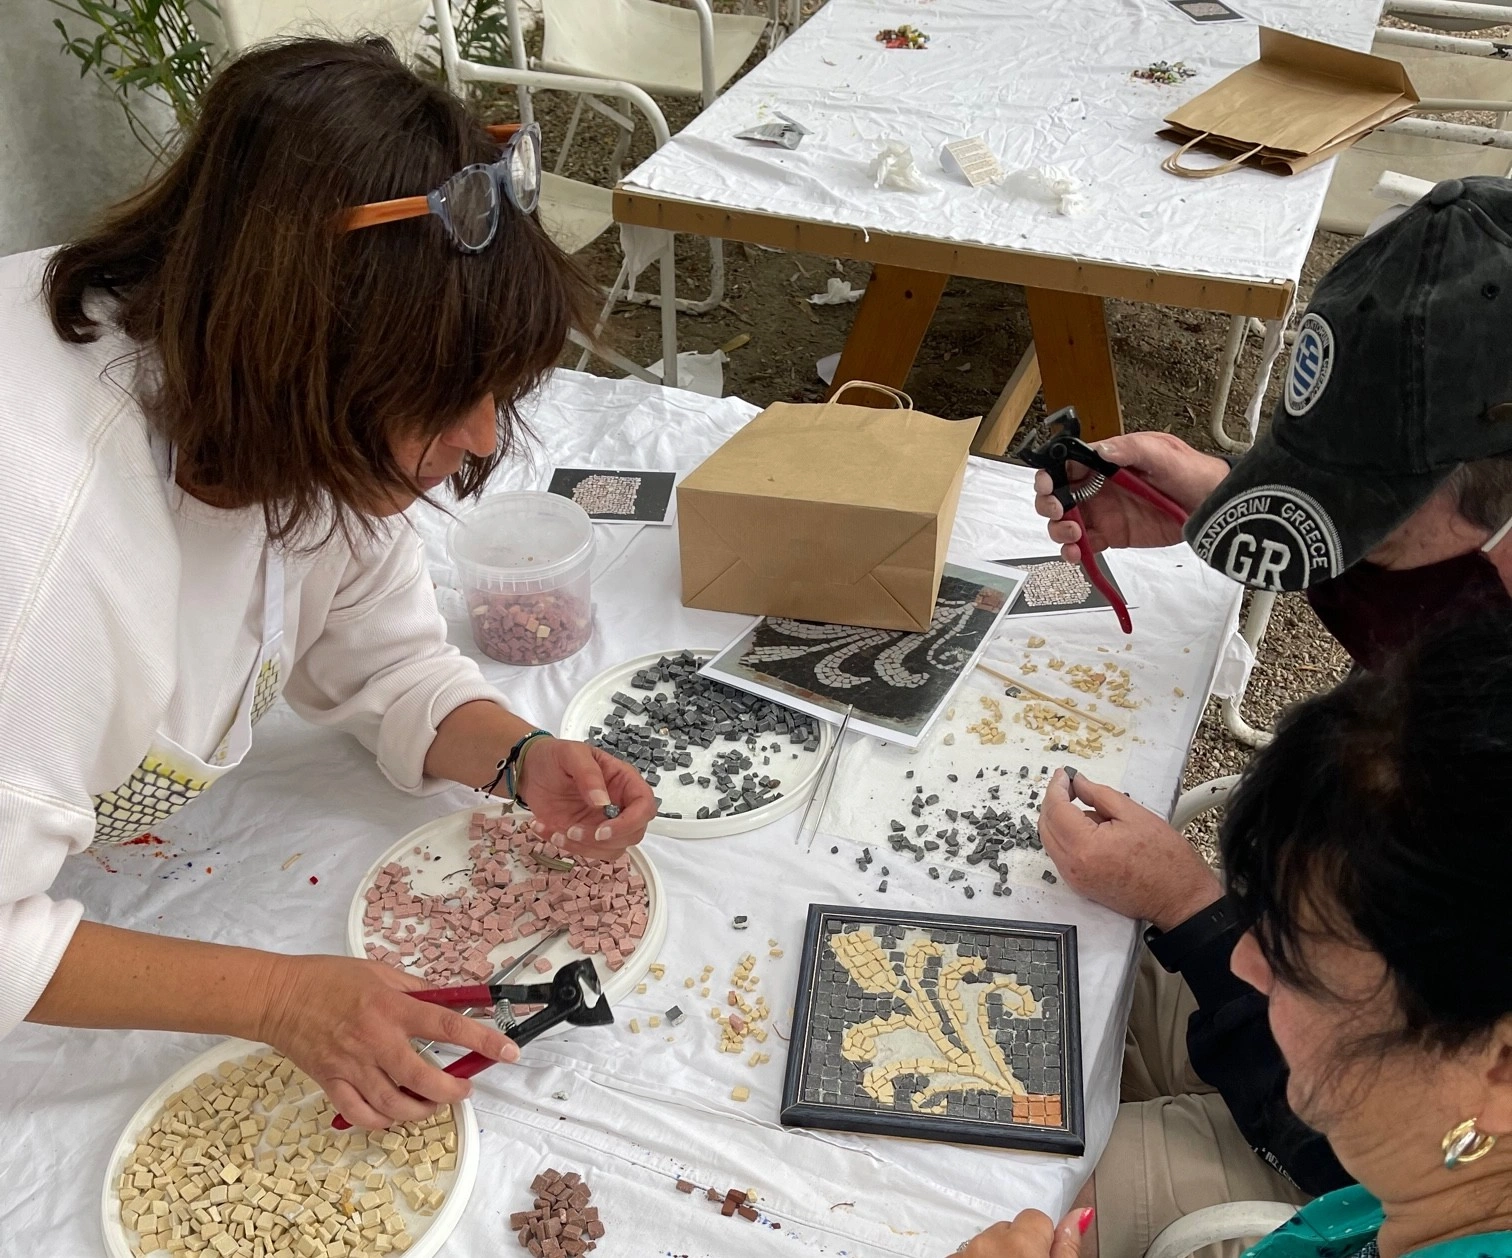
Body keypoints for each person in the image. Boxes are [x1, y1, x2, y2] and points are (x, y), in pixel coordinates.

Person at [1, 37, 656, 1131]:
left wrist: (516, 753)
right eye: (447, 393)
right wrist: (277, 996)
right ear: (297, 354)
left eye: (497, 388)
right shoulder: (51, 550)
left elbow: (384, 654)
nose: (484, 434)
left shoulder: (280, 408)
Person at [1020, 175, 1512, 1250]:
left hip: (1342, 1141)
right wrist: (1228, 493)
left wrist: (1201, 912)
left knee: (1028, 1159)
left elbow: (1383, 1135)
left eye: (1368, 518)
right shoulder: (1480, 606)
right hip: (1359, 1072)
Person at [962, 613, 1512, 1258]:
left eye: (1297, 956)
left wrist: (1192, 909)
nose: (1247, 959)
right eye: (1264, 917)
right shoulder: (1440, 1166)